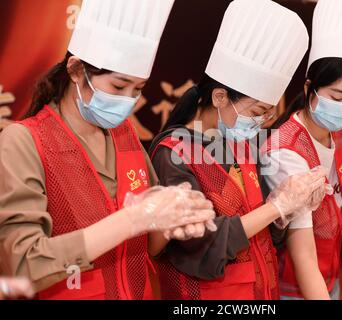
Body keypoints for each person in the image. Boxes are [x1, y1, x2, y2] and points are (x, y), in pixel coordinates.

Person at [0, 0, 216, 300]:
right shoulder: (23, 141)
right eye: (118, 87)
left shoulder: (124, 135)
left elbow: (148, 246)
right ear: (76, 70)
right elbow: (22, 264)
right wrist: (132, 219)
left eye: (138, 89)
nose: (128, 101)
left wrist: (171, 223)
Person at [148, 0, 330, 300]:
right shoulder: (173, 153)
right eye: (258, 110)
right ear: (220, 97)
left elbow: (258, 234)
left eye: (268, 113)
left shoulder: (243, 147)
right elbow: (199, 244)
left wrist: (284, 209)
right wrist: (277, 207)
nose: (261, 121)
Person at [260, 0, 342, 300]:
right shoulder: (286, 151)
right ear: (310, 88)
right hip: (293, 286)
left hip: (329, 277)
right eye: (337, 96)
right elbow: (303, 254)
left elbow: (338, 198)